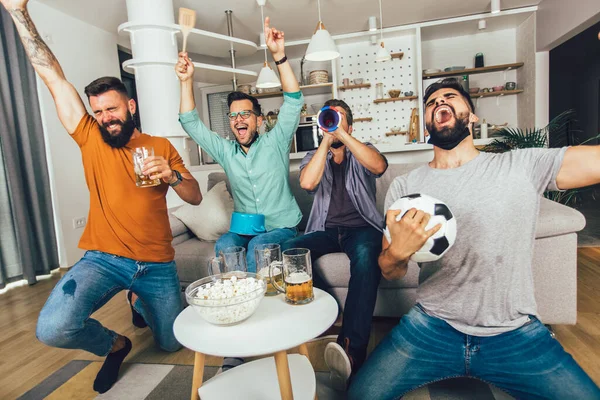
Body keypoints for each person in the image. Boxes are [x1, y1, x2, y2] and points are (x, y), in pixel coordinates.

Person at [348, 78, 600, 400]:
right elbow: (389, 270)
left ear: (473, 116)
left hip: (515, 332)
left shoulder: (521, 165)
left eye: (450, 96)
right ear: (427, 122)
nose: (439, 102)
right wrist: (397, 253)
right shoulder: (405, 188)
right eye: (431, 102)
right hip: (430, 328)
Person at [1, 0, 202, 394]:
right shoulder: (90, 136)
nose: (106, 117)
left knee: (171, 343)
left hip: (157, 264)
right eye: (99, 112)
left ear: (129, 106)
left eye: (112, 109)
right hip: (103, 259)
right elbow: (53, 78)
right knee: (53, 328)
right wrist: (17, 12)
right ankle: (117, 344)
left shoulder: (160, 145)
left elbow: (194, 197)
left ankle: (138, 301)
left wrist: (173, 174)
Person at [175, 16, 303, 274]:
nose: (238, 120)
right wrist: (186, 81)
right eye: (233, 116)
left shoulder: (275, 141)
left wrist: (279, 56)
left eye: (245, 114)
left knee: (259, 245)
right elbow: (190, 123)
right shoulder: (226, 152)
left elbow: (294, 101)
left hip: (282, 227)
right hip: (243, 229)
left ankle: (260, 305)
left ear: (257, 120)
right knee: (225, 243)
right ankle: (237, 296)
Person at [281, 99, 387, 390]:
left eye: (340, 119)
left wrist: (344, 137)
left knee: (367, 258)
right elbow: (307, 184)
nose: (334, 124)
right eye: (329, 119)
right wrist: (326, 143)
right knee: (290, 250)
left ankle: (351, 349)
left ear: (350, 125)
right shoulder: (315, 155)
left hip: (362, 229)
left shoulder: (362, 150)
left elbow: (378, 166)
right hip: (327, 231)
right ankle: (324, 315)